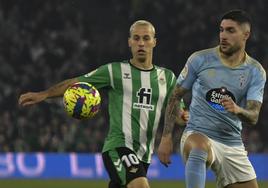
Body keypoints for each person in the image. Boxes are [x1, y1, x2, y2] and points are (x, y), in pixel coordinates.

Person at [19, 20, 188, 188]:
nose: (141, 43)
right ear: (129, 42)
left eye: (146, 38)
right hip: (118, 146)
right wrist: (45, 94)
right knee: (140, 186)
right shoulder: (113, 71)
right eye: (136, 38)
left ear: (154, 41)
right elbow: (76, 83)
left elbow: (177, 112)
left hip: (144, 155)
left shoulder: (167, 77)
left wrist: (183, 118)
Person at [157, 10, 266, 188]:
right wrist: (166, 137)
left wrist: (238, 110)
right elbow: (175, 96)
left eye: (230, 31)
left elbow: (253, 116)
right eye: (221, 30)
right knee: (200, 146)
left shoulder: (255, 71)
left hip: (232, 143)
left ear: (246, 35)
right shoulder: (199, 60)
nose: (223, 35)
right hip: (196, 134)